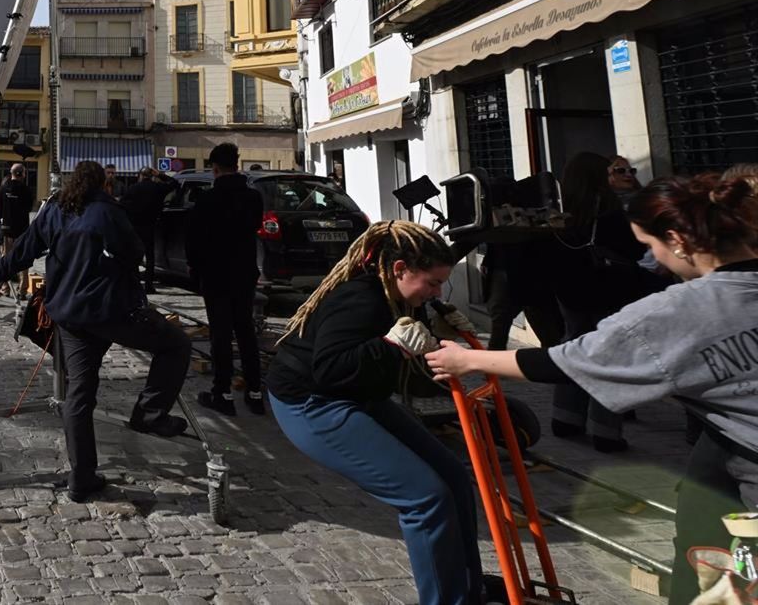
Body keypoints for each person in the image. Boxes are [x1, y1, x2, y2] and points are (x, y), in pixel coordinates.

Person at [428, 174, 758, 605]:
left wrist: (467, 360)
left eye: (650, 245)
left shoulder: (681, 309)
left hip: (748, 457)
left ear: (677, 239)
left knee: (719, 563)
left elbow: (565, 361)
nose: (652, 258)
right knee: (701, 513)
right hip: (723, 441)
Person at [266, 220, 484, 605]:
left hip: (357, 395)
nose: (436, 292)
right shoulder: (361, 298)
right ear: (400, 269)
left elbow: (404, 363)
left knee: (453, 477)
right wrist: (390, 346)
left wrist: (441, 337)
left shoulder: (398, 295)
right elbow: (330, 368)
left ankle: (469, 588)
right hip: (311, 402)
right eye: (432, 283)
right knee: (425, 497)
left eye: (440, 285)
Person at [0, 160, 192, 502]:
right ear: (102, 184)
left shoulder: (55, 210)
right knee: (176, 345)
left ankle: (81, 478)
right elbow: (134, 253)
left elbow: (25, 247)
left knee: (79, 394)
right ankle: (150, 413)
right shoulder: (108, 212)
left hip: (71, 315)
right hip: (113, 312)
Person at [549, 151, 666, 451]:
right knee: (608, 355)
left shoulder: (559, 213)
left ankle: (565, 418)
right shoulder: (611, 212)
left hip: (569, 291)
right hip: (609, 289)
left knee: (571, 347)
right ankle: (605, 432)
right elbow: (632, 250)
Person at [188, 143, 266, 416]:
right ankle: (255, 392)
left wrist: (195, 271)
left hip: (216, 274)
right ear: (237, 164)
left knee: (220, 334)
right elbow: (255, 227)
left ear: (215, 168)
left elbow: (194, 241)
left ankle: (222, 392)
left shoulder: (207, 200)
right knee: (246, 331)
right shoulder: (254, 198)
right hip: (244, 272)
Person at [119, 166, 177, 293]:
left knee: (135, 256)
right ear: (151, 176)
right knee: (150, 256)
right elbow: (174, 183)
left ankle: (134, 283)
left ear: (140, 176)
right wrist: (161, 175)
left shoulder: (133, 189)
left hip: (134, 226)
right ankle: (149, 285)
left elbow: (122, 206)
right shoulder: (157, 188)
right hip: (150, 225)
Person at [0, 164, 35, 257]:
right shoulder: (26, 190)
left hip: (7, 228)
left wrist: (2, 217)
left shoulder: (2, 189)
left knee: (8, 255)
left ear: (11, 173)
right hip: (22, 228)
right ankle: (21, 271)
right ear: (22, 174)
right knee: (22, 254)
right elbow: (29, 207)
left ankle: (9, 270)